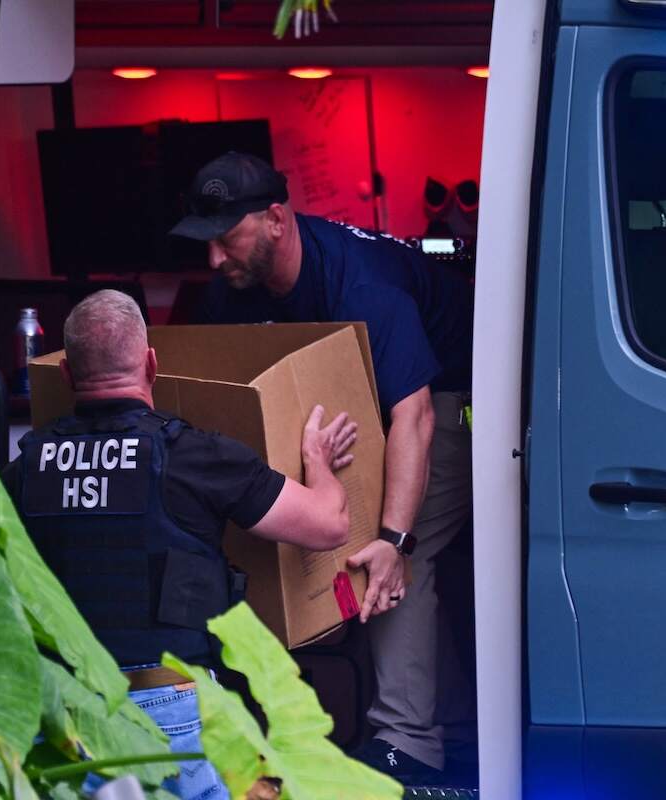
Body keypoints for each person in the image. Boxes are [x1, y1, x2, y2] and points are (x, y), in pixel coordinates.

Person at [170, 152, 476, 785]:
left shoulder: (363, 283)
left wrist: (394, 538)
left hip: (448, 400)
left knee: (380, 554)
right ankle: (450, 715)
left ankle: (409, 740)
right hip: (350, 399)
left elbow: (413, 416)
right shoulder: (232, 288)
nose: (214, 260)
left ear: (276, 220)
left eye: (226, 239)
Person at [3, 289, 363, 799]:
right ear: (151, 364)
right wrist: (319, 461)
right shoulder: (195, 456)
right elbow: (328, 525)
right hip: (170, 712)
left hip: (65, 714)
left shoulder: (23, 470)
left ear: (66, 376)